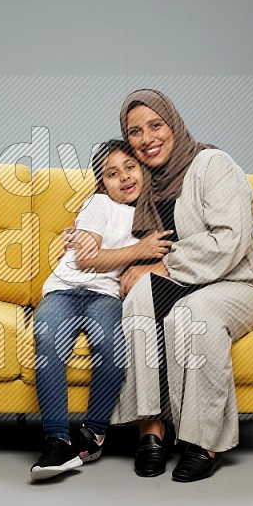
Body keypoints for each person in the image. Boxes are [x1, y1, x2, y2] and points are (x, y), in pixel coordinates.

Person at [108, 89, 253, 482]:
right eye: (135, 131)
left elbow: (228, 241)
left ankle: (204, 441)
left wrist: (164, 264)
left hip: (240, 283)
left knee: (192, 315)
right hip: (191, 282)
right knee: (139, 298)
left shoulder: (213, 164)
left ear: (174, 125)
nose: (147, 138)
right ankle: (151, 430)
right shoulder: (142, 182)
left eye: (156, 125)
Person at [30, 139, 175, 481]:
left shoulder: (154, 214)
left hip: (107, 296)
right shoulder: (98, 205)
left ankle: (93, 434)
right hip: (65, 290)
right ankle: (56, 440)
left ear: (144, 170)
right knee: (48, 340)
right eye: (112, 174)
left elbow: (167, 257)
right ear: (102, 183)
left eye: (130, 167)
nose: (123, 177)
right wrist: (140, 249)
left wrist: (150, 258)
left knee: (113, 348)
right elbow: (85, 258)